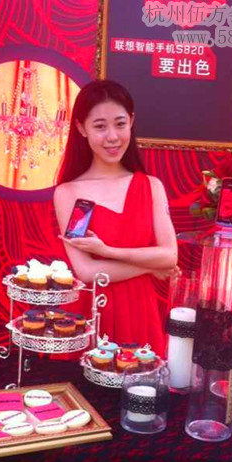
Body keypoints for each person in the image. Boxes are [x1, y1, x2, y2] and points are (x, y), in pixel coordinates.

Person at [53, 79, 177, 355]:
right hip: (91, 313)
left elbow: (169, 257)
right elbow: (87, 272)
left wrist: (108, 252)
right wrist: (149, 266)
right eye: (100, 126)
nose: (112, 136)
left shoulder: (151, 186)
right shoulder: (69, 193)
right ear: (81, 128)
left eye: (120, 124)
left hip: (141, 315)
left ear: (131, 121)